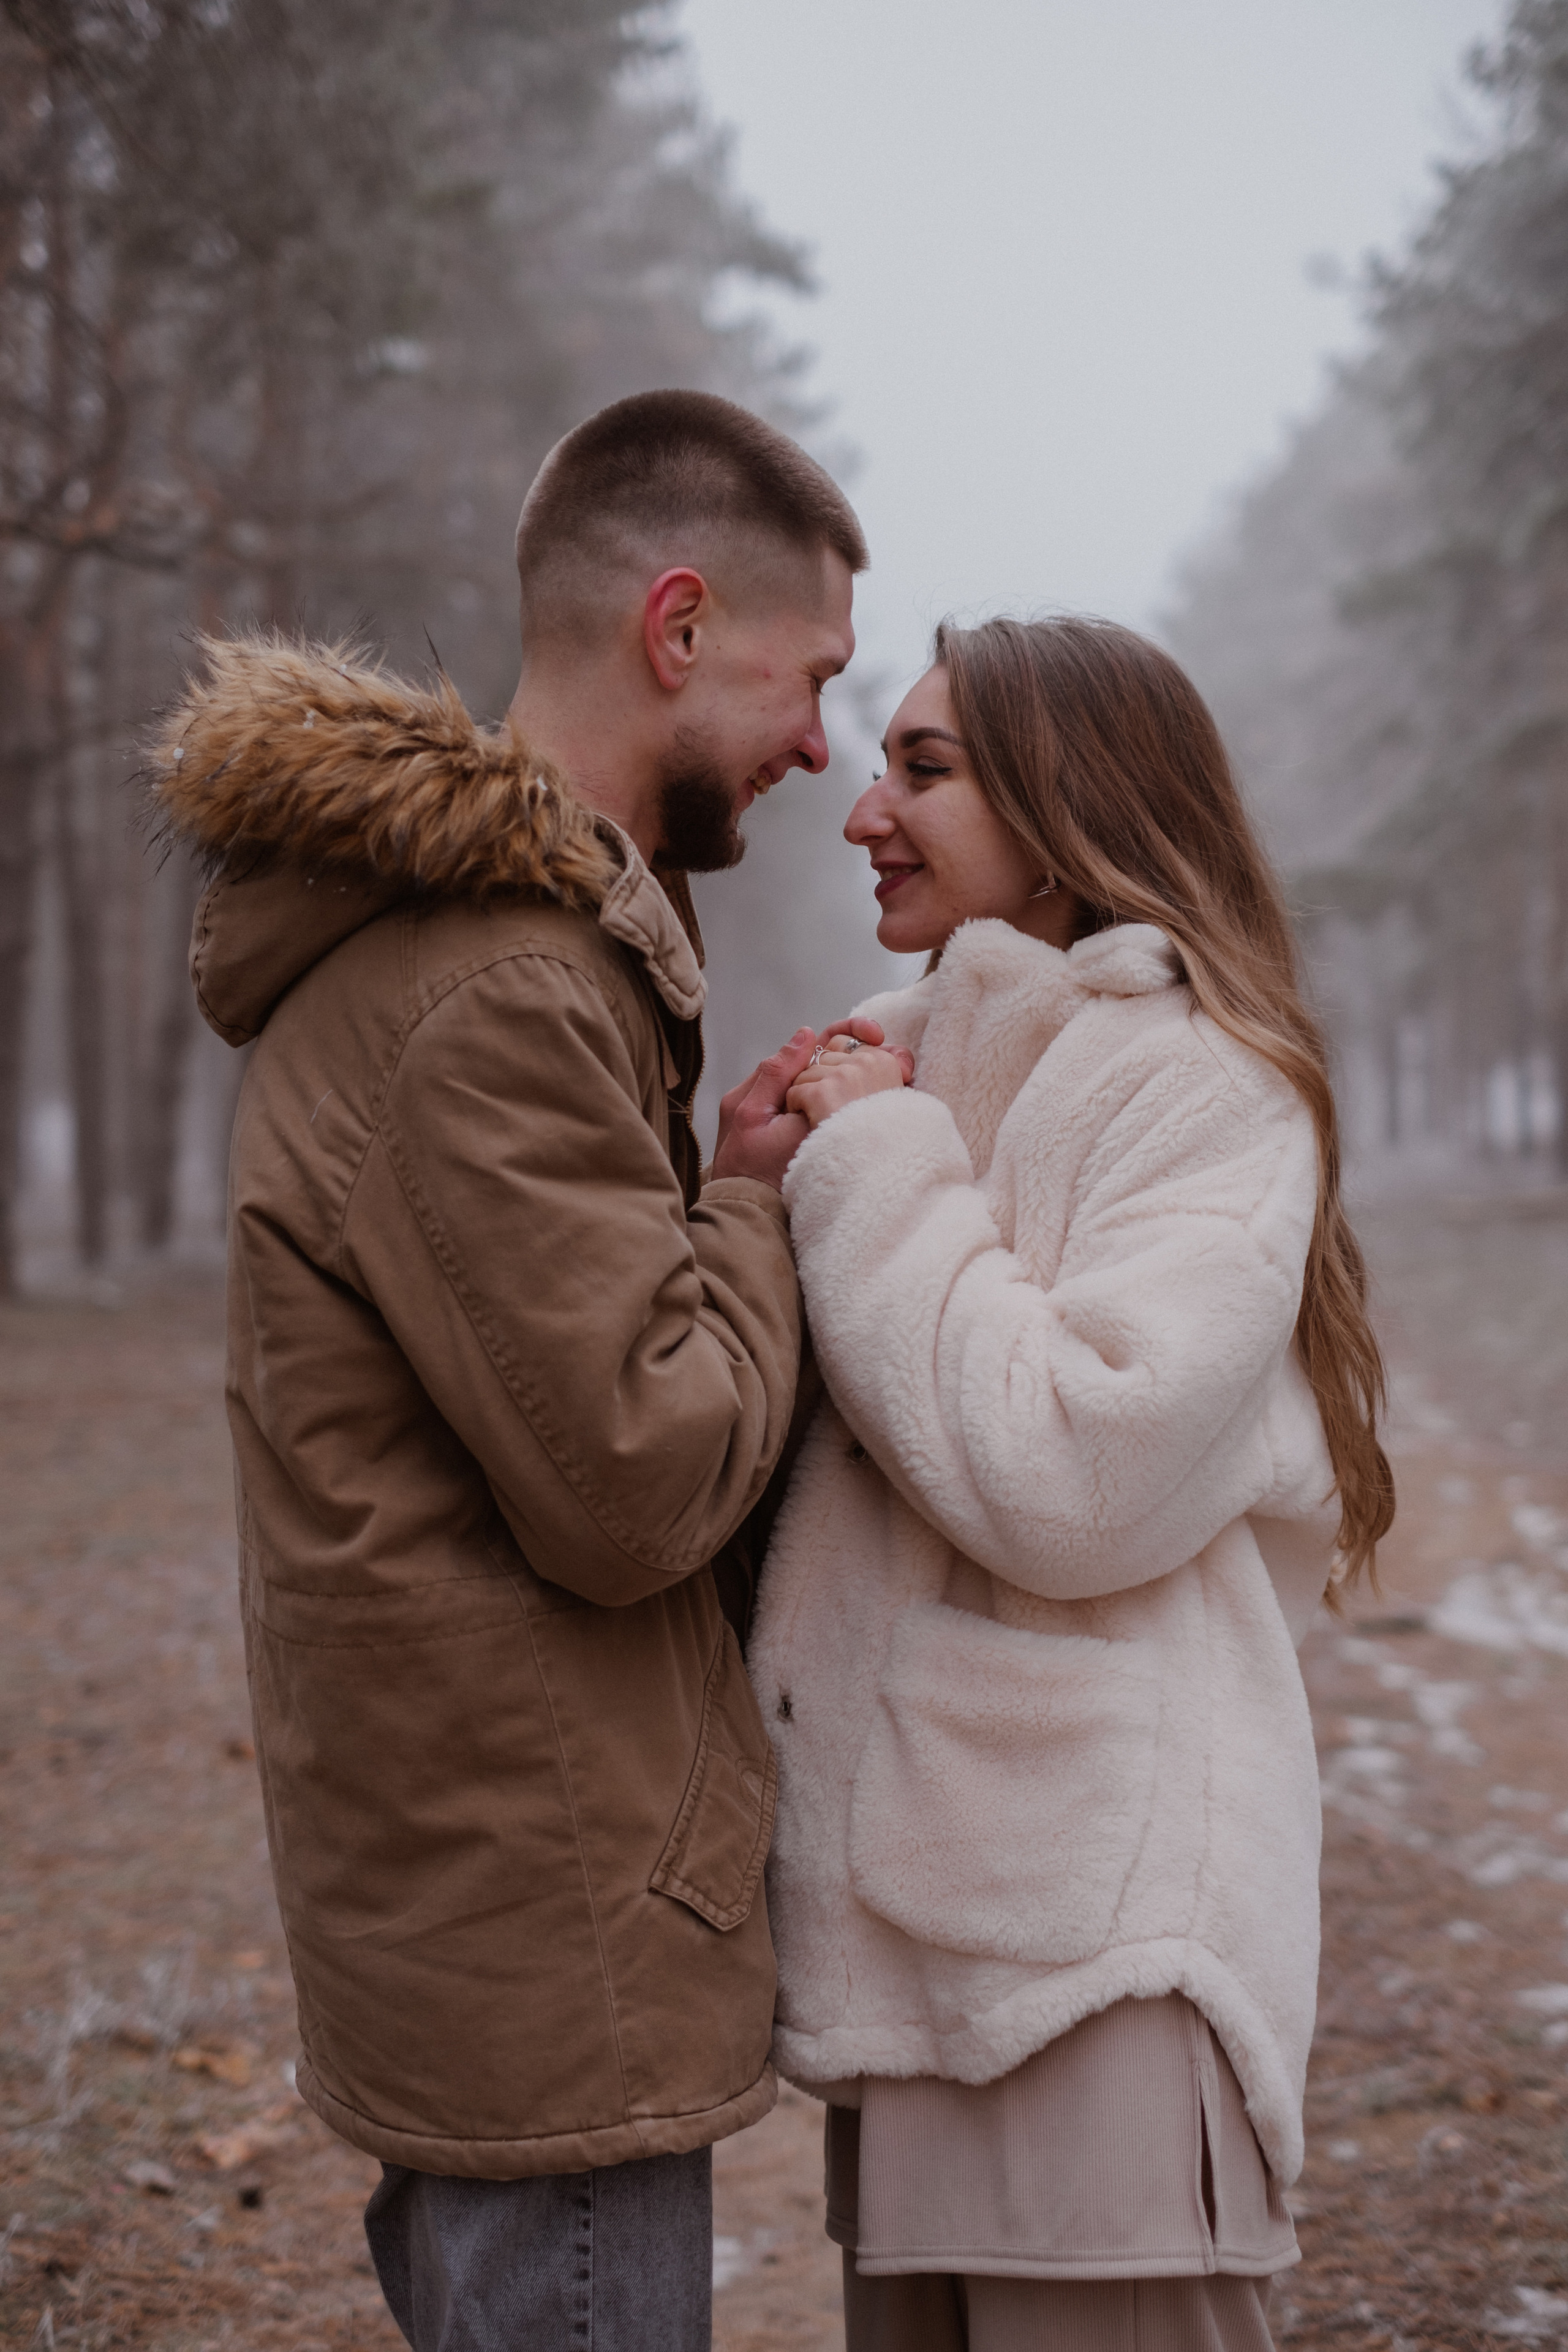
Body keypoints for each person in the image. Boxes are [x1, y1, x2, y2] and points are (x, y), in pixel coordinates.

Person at [147, 390, 867, 2352]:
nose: (824, 744)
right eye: (814, 679)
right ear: (680, 625)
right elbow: (642, 1475)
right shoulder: (494, 985)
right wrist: (756, 1208)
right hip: (548, 1915)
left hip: (501, 1882)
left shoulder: (499, 954)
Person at [754, 614, 1395, 2351]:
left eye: (925, 770)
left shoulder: (1203, 1085)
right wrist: (750, 1191)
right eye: (879, 764)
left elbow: (1074, 1472)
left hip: (1101, 1940)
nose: (865, 809)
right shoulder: (897, 1058)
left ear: (1069, 809)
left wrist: (872, 1159)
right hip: (919, 1930)